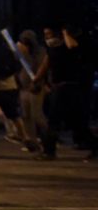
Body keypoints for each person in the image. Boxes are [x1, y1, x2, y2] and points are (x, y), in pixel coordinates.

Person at [34, 25, 97, 161]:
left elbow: (73, 46)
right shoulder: (52, 50)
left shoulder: (68, 47)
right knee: (75, 123)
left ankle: (49, 151)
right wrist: (37, 79)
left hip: (70, 87)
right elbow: (46, 64)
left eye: (49, 34)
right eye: (45, 35)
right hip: (59, 88)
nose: (47, 38)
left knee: (58, 121)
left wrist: (64, 32)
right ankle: (94, 148)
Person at [17, 30, 47, 145]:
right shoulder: (21, 52)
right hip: (23, 87)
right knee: (26, 115)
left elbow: (40, 67)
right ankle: (32, 141)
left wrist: (37, 82)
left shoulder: (40, 52)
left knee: (37, 115)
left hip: (36, 86)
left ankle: (48, 138)